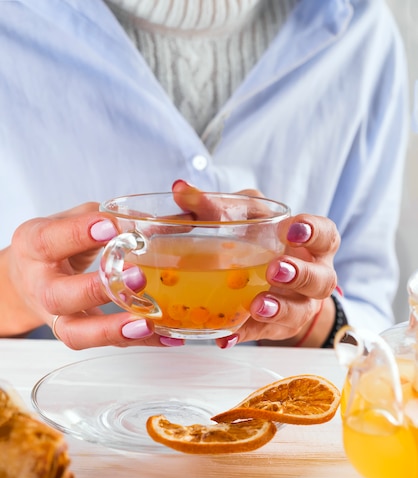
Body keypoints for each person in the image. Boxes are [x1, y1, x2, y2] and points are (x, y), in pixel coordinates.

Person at [0, 0, 409, 351]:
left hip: (279, 437)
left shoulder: (364, 32)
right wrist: (15, 290)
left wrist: (314, 316)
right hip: (56, 429)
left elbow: (376, 319)